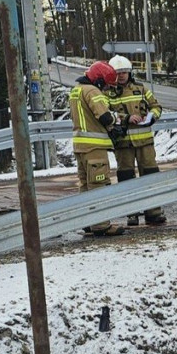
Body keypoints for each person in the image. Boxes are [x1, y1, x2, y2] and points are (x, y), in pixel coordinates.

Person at [107, 55, 166, 226]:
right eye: (118, 73)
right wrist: (126, 118)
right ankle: (131, 214)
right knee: (127, 179)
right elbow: (105, 114)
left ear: (130, 72)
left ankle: (154, 212)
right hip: (123, 144)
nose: (122, 76)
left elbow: (156, 106)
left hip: (145, 143)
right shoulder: (107, 93)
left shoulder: (140, 88)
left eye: (124, 72)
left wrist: (151, 117)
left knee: (150, 176)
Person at [69, 61, 125, 236]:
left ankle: (88, 222)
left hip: (80, 146)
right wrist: (117, 121)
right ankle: (101, 225)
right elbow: (105, 117)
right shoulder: (92, 91)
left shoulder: (76, 90)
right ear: (99, 80)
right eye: (106, 85)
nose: (107, 89)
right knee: (99, 185)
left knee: (85, 186)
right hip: (95, 147)